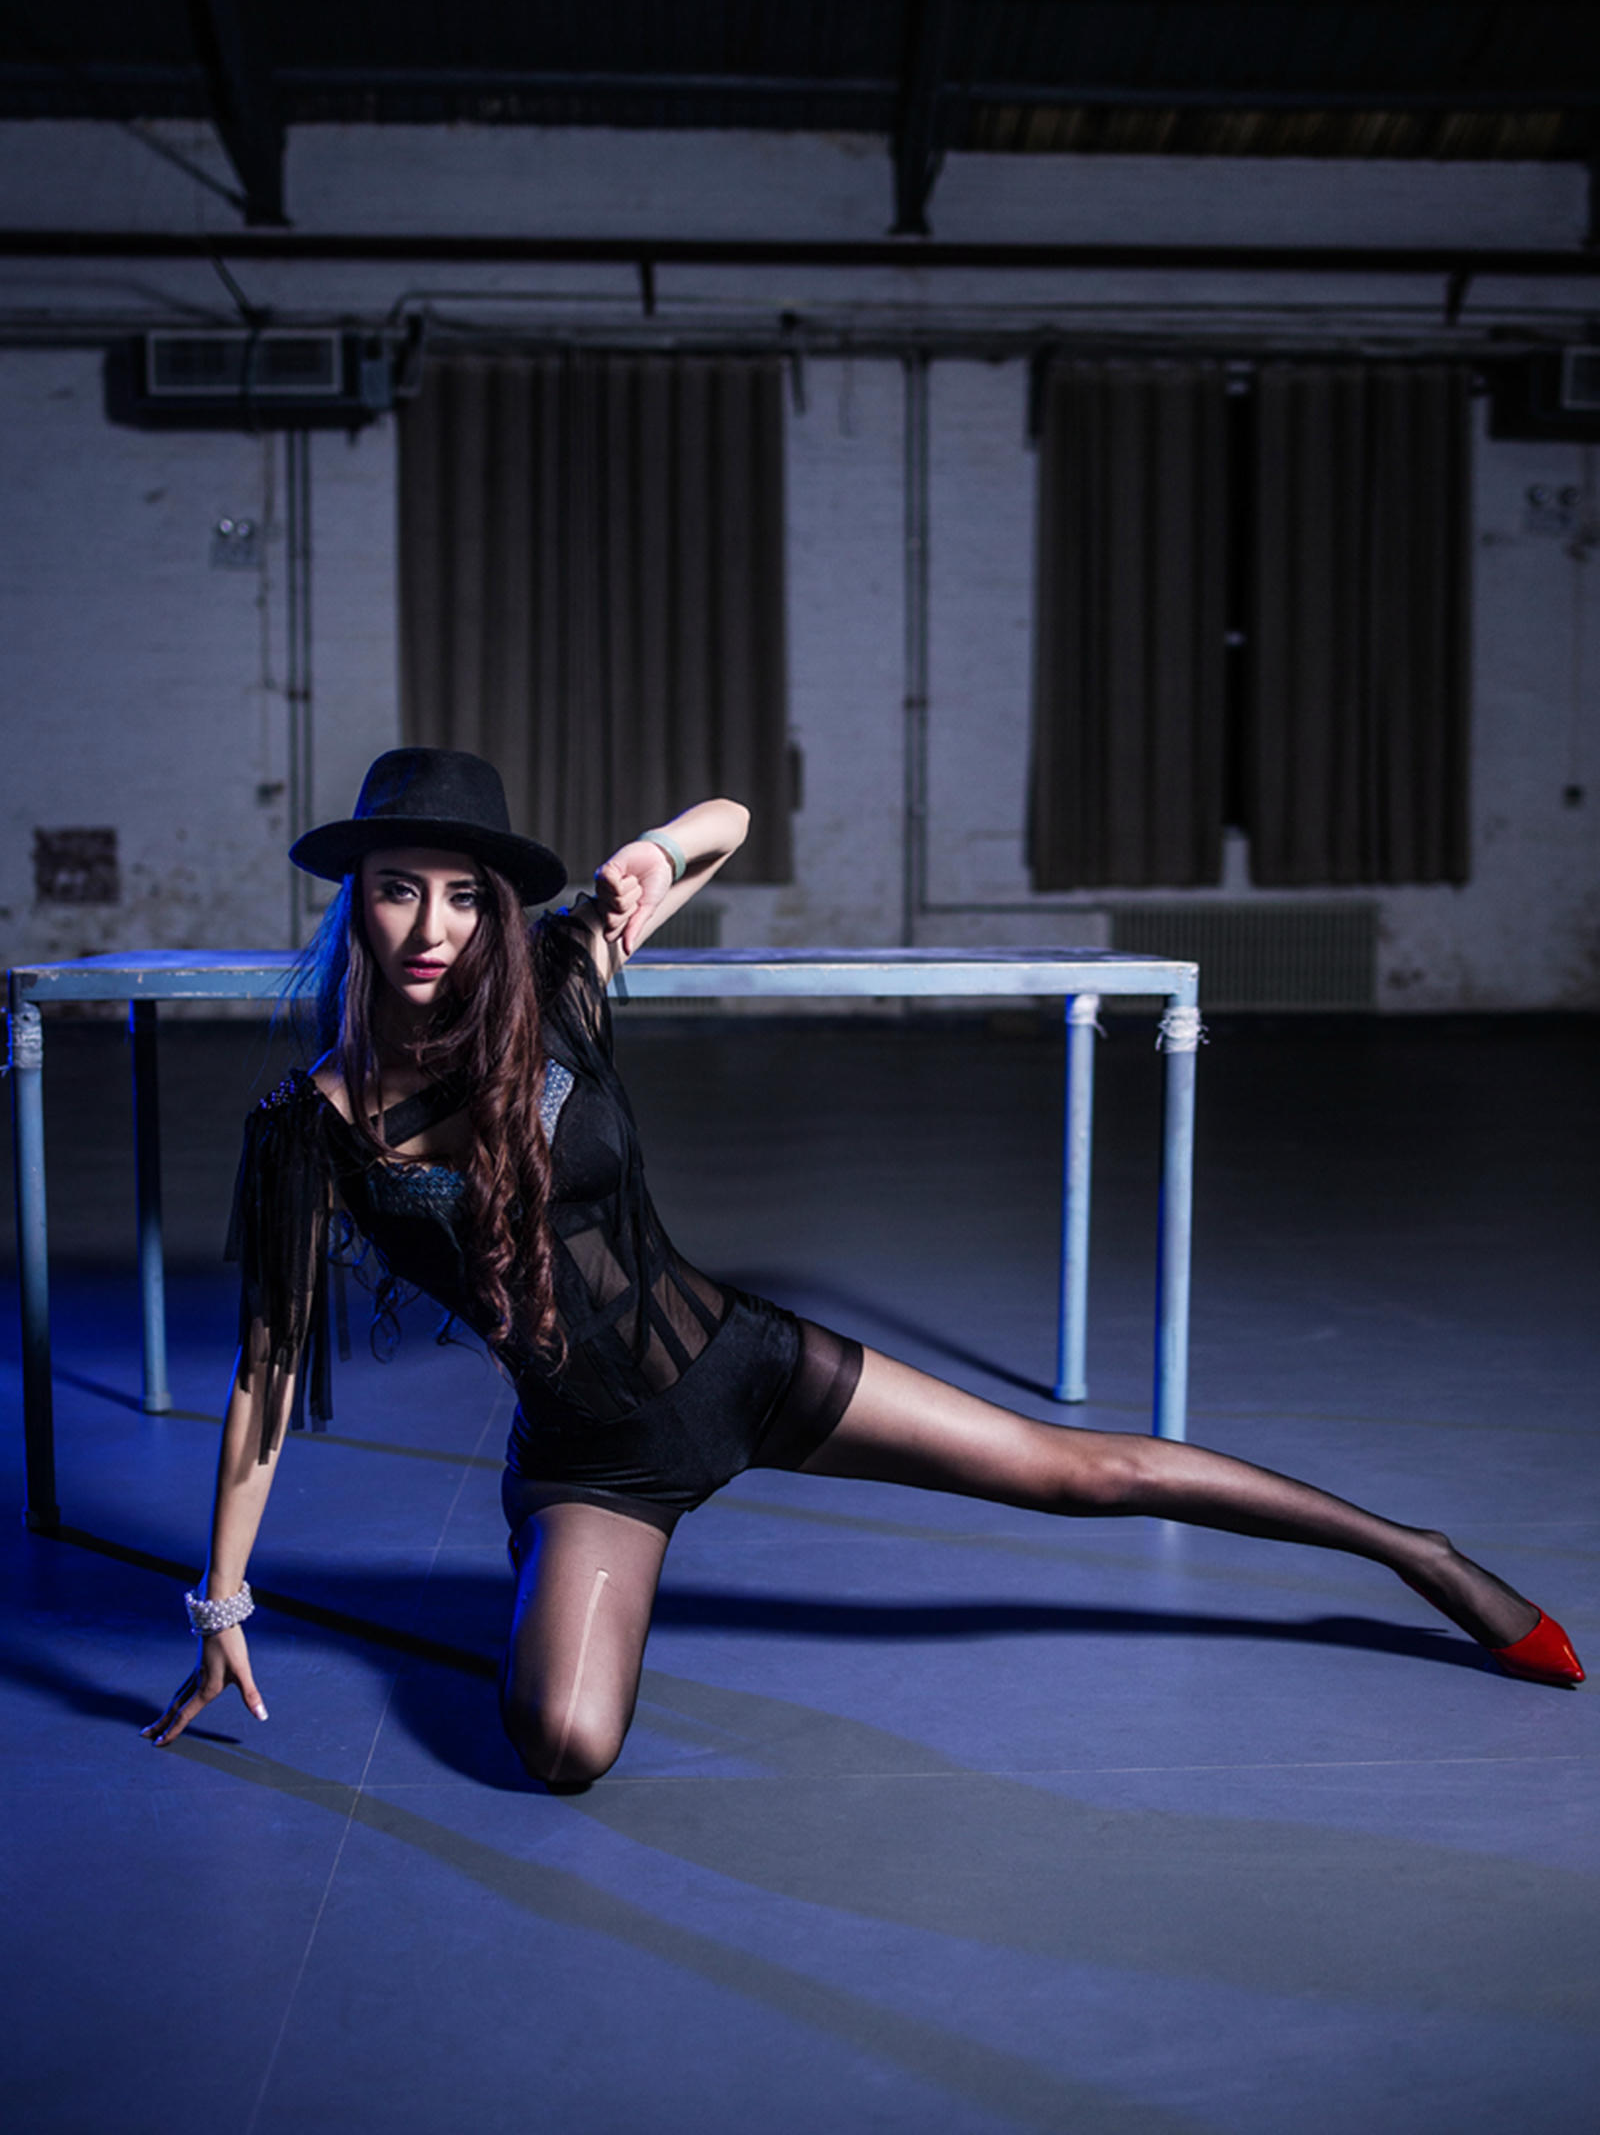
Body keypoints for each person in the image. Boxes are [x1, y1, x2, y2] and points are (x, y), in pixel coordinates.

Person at [143, 750, 1583, 1782]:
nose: (434, 930)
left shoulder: (560, 981)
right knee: (564, 1747)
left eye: (464, 896)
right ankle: (548, 1551)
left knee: (1078, 1473)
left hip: (744, 1367)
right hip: (595, 1463)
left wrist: (649, 858)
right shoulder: (308, 1131)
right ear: (355, 902)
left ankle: (1416, 1554)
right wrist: (224, 1599)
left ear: (494, 908)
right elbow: (266, 1376)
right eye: (400, 892)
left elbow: (729, 818)